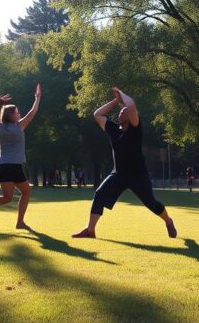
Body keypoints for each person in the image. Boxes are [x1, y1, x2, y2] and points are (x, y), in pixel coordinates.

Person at [72, 87, 176, 239]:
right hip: (118, 174)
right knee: (100, 194)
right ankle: (90, 230)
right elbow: (97, 114)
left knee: (151, 203)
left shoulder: (136, 128)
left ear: (132, 116)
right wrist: (115, 101)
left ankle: (168, 221)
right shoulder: (113, 129)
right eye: (120, 111)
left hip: (138, 175)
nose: (121, 112)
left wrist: (121, 94)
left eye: (124, 111)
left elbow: (131, 104)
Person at [0, 84, 41, 230]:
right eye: (17, 112)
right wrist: (37, 97)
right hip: (14, 166)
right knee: (26, 192)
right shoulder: (19, 126)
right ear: (11, 115)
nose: (19, 114)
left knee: (7, 197)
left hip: (2, 166)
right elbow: (33, 111)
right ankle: (20, 222)